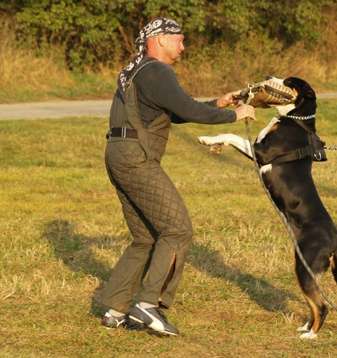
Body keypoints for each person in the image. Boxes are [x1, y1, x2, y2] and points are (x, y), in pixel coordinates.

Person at [99, 17, 255, 336]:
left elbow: (173, 111)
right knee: (178, 230)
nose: (183, 47)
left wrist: (217, 103)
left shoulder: (137, 70)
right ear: (160, 39)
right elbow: (189, 110)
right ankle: (148, 304)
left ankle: (115, 308)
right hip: (136, 157)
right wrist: (233, 114)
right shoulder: (158, 70)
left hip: (117, 152)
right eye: (180, 40)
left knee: (145, 237)